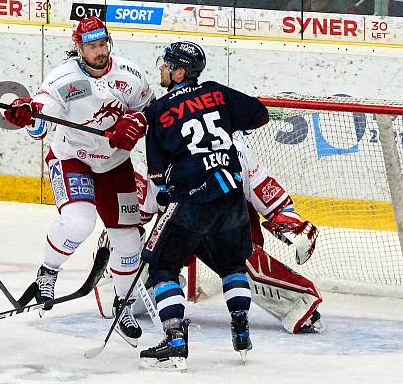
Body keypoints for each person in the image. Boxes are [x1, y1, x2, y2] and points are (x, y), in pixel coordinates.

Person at [2, 17, 154, 341]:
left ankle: (122, 302)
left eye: (102, 44)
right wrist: (27, 115)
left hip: (116, 166)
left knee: (127, 239)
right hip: (73, 159)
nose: (99, 52)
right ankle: (48, 270)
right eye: (91, 46)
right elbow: (41, 121)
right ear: (79, 48)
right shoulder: (62, 79)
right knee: (79, 222)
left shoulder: (130, 75)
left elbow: (150, 111)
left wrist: (137, 123)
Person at [95, 139, 323, 335]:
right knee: (139, 254)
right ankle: (120, 289)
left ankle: (297, 303)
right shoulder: (156, 154)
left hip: (221, 228)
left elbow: (272, 198)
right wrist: (114, 239)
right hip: (176, 228)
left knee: (242, 259)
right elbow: (134, 215)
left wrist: (292, 224)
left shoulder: (237, 151)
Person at [139, 41, 269, 370]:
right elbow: (259, 114)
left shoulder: (158, 110)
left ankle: (174, 339)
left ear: (180, 72)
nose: (161, 68)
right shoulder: (215, 92)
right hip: (231, 192)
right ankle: (241, 328)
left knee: (163, 267)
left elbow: (155, 170)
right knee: (231, 264)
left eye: (167, 64)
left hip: (193, 198)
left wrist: (166, 189)